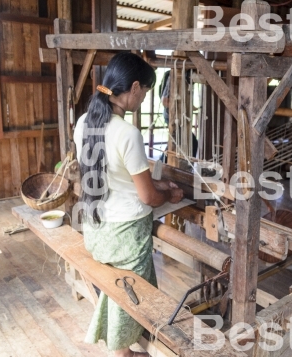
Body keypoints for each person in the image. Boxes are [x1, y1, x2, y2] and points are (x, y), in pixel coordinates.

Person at [74, 52, 183, 357]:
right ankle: (123, 351)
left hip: (95, 231)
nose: (144, 98)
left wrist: (157, 183)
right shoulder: (128, 133)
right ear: (134, 87)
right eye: (146, 92)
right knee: (136, 293)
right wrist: (167, 194)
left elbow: (115, 176)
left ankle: (126, 345)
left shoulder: (84, 122)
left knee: (126, 288)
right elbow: (147, 198)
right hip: (125, 239)